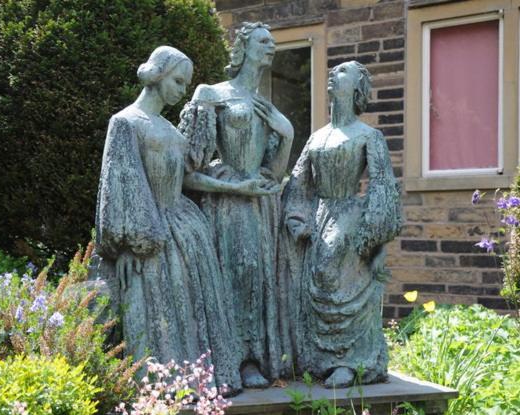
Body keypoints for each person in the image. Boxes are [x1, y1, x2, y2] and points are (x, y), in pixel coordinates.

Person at [94, 46, 267, 393]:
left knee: (193, 315)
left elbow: (188, 178)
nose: (181, 90)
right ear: (157, 74)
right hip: (152, 234)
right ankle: (164, 385)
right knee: (162, 315)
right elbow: (120, 186)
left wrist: (237, 189)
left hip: (187, 231)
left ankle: (199, 381)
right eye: (177, 80)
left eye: (186, 83)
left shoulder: (171, 131)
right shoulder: (126, 122)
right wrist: (126, 246)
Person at [178, 22, 293, 387]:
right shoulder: (211, 94)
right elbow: (187, 172)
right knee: (233, 275)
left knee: (257, 280)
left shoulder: (265, 105)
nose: (271, 44)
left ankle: (252, 360)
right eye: (263, 40)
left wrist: (286, 134)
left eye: (273, 39)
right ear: (243, 48)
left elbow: (273, 176)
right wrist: (235, 189)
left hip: (260, 208)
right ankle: (226, 358)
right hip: (226, 205)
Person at [279, 61, 402, 388]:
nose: (333, 72)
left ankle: (350, 360)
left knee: (336, 280)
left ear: (358, 87)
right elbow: (299, 183)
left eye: (344, 71)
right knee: (315, 283)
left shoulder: (368, 136)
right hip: (318, 215)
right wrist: (295, 217)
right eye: (333, 70)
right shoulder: (317, 137)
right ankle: (317, 358)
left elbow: (382, 186)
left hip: (349, 215)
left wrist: (375, 236)